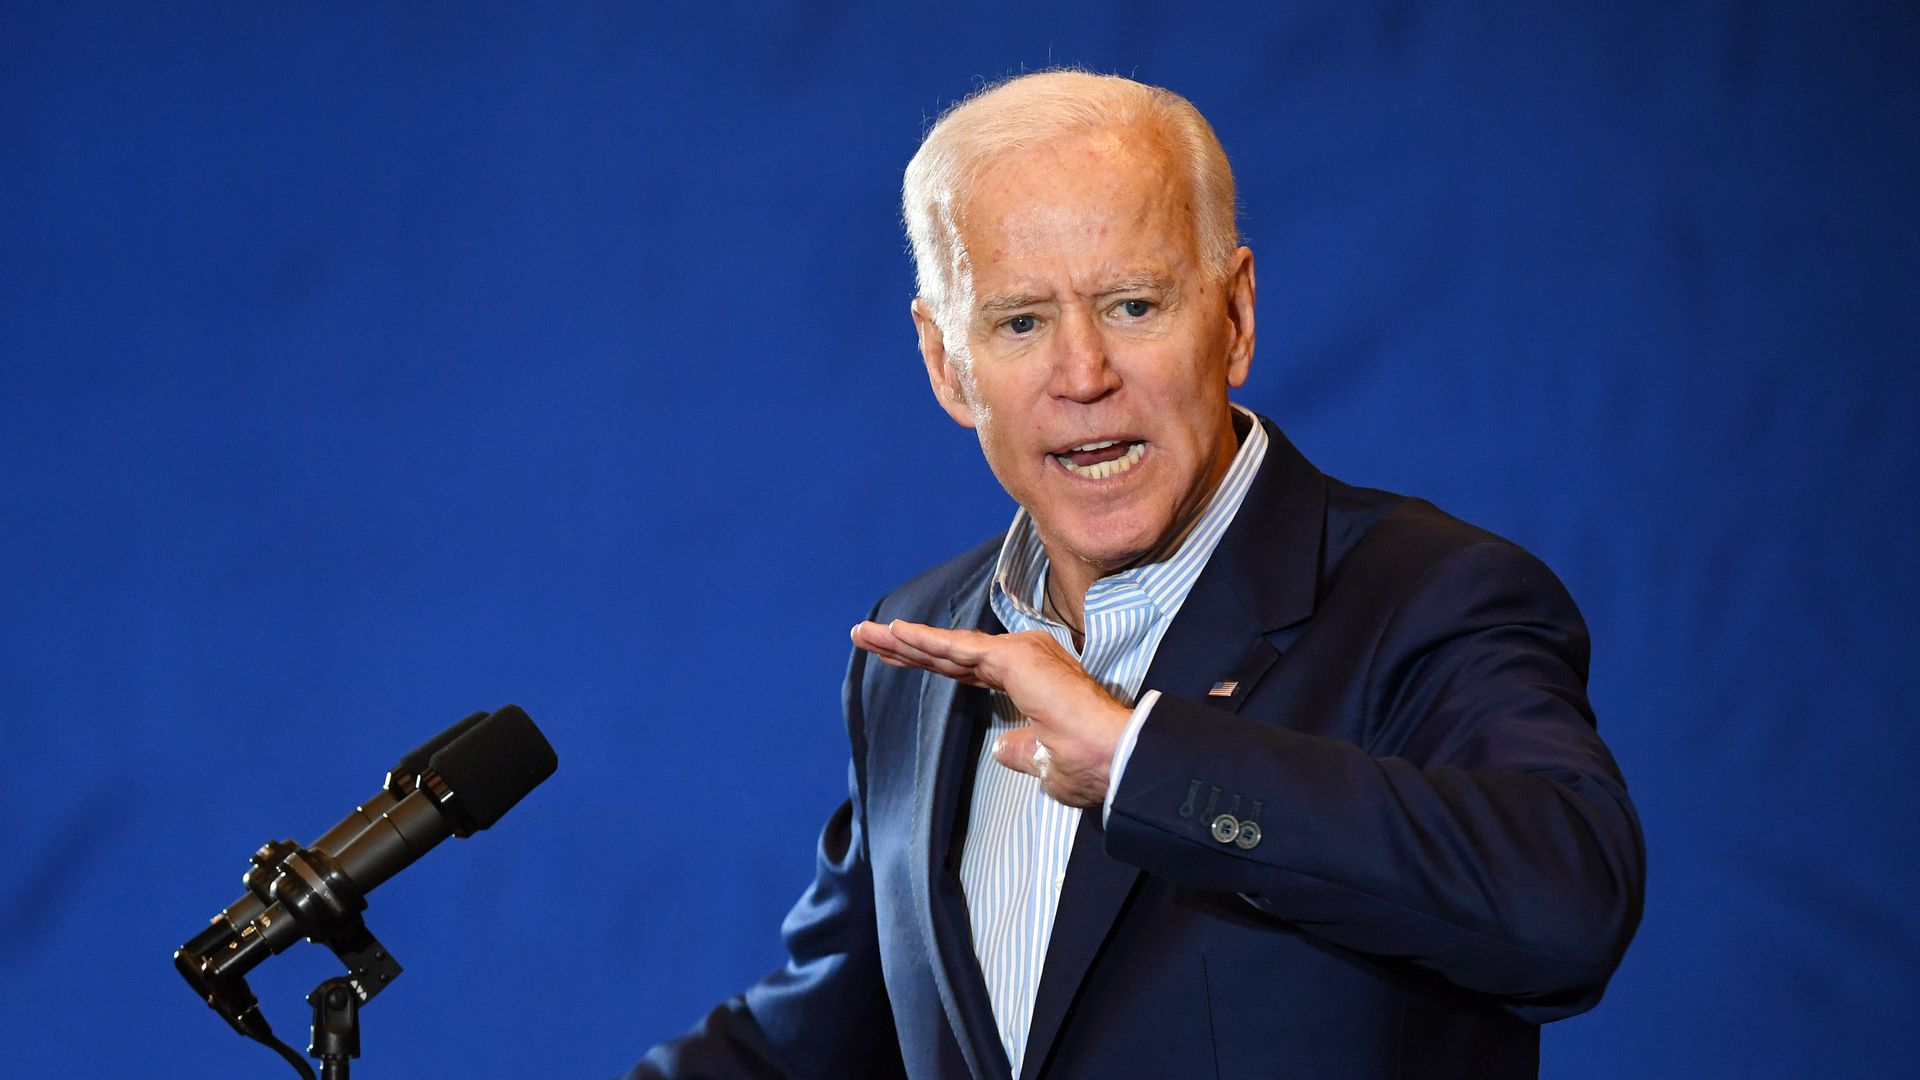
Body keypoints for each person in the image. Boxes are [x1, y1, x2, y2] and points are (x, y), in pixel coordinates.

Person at [627, 70, 1643, 1080]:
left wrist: (1137, 763)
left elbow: (1566, 910)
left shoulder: (1430, 594)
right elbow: (820, 1040)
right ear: (945, 362)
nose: (1083, 376)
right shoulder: (919, 643)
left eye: (1132, 305)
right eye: (1021, 322)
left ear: (1234, 316)